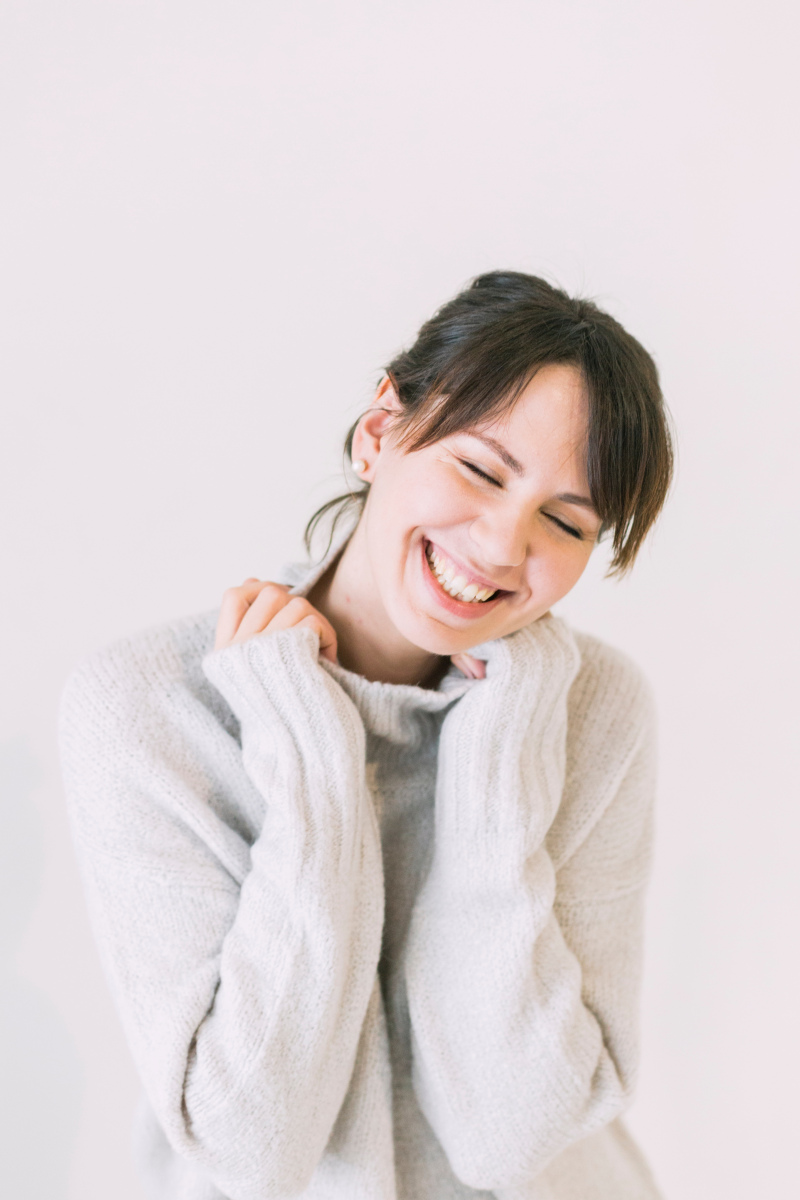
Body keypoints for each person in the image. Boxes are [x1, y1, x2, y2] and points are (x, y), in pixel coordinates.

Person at [59, 270, 673, 1200]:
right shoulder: (149, 711)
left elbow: (508, 1139)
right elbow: (252, 1152)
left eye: (563, 522)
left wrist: (502, 760)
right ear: (380, 430)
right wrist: (312, 761)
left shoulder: (595, 710)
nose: (501, 547)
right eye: (480, 470)